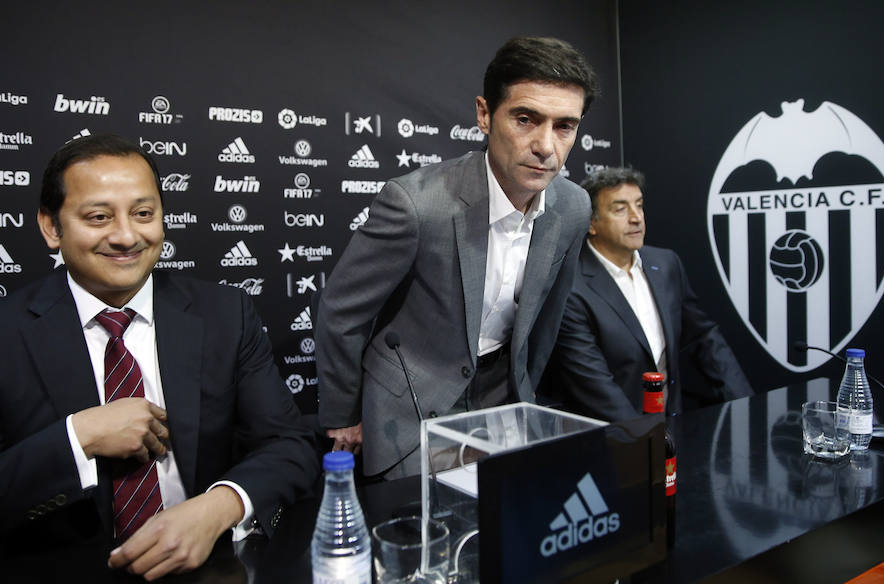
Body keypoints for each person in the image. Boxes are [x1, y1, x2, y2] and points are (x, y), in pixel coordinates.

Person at [0, 134, 319, 580]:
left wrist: (219, 505)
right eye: (98, 216)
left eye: (143, 214)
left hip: (210, 566)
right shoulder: (9, 331)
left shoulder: (225, 313)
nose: (127, 235)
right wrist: (79, 438)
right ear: (52, 227)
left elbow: (290, 444)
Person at [315, 36, 596, 479]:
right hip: (409, 405)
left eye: (564, 126)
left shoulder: (574, 207)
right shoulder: (416, 204)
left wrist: (525, 395)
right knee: (427, 536)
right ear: (484, 114)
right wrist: (344, 414)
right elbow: (340, 312)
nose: (546, 146)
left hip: (504, 401)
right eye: (526, 119)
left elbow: (548, 319)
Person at [547, 167, 753, 422]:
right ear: (591, 223)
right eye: (620, 209)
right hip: (611, 437)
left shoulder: (666, 264)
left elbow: (703, 337)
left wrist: (746, 404)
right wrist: (647, 442)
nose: (636, 218)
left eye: (639, 205)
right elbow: (594, 384)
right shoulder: (570, 286)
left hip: (672, 426)